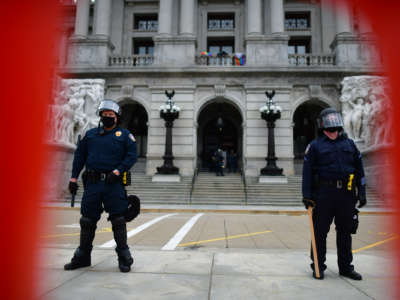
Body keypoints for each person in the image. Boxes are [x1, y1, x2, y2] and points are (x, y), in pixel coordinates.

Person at [64, 100, 137, 273]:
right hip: (93, 183)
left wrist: (118, 171)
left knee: (118, 220)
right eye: (104, 115)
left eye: (110, 116)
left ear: (117, 118)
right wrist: (73, 178)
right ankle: (82, 256)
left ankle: (124, 257)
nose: (107, 118)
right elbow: (79, 157)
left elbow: (132, 156)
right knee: (87, 220)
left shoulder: (125, 135)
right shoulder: (90, 135)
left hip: (114, 183)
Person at [302, 107, 367, 280]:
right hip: (323, 194)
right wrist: (307, 196)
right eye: (328, 121)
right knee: (320, 232)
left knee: (345, 231)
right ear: (322, 125)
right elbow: (307, 172)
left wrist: (362, 192)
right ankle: (318, 266)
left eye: (334, 120)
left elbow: (360, 170)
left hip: (346, 194)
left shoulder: (349, 145)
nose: (332, 126)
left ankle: (346, 267)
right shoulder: (315, 146)